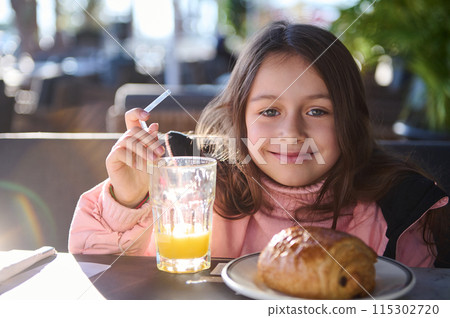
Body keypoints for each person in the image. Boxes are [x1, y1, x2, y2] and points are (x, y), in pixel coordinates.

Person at [68, 21, 449, 268]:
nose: (292, 132)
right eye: (269, 111)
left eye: (317, 111)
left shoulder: (400, 211)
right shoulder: (196, 192)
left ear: (349, 119)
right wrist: (128, 199)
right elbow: (98, 272)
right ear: (240, 118)